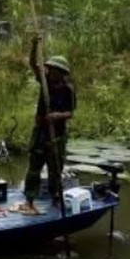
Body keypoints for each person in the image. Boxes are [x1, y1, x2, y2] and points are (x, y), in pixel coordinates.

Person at [23, 36, 76, 213]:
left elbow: (70, 112)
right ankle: (29, 200)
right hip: (41, 133)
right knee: (34, 168)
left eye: (54, 70)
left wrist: (57, 116)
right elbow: (32, 64)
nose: (50, 72)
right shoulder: (44, 81)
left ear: (61, 73)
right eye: (50, 69)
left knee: (55, 169)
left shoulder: (68, 89)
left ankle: (56, 198)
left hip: (57, 134)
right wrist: (35, 45)